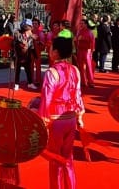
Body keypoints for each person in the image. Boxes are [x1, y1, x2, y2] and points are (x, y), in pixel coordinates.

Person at [38, 34, 85, 189]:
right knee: (68, 158)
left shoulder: (52, 73)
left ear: (56, 52)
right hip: (71, 117)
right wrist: (79, 115)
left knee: (55, 159)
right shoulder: (75, 70)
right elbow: (77, 95)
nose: (49, 50)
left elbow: (46, 99)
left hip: (55, 119)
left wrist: (42, 122)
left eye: (51, 48)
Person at [13, 20, 37, 90]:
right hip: (18, 55)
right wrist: (27, 36)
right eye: (26, 26)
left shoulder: (30, 35)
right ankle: (16, 84)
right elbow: (17, 41)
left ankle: (30, 83)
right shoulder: (18, 33)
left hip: (27, 55)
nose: (28, 28)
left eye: (29, 26)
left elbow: (31, 46)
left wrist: (34, 55)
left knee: (28, 70)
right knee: (17, 70)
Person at [74, 19, 95, 88]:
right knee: (80, 66)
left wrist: (91, 51)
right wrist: (77, 40)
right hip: (80, 50)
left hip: (87, 51)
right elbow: (76, 40)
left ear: (86, 24)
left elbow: (92, 42)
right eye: (81, 23)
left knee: (88, 67)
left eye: (83, 23)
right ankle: (83, 81)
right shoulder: (79, 32)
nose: (81, 25)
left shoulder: (90, 32)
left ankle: (91, 81)